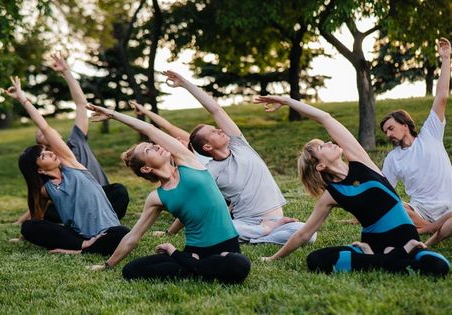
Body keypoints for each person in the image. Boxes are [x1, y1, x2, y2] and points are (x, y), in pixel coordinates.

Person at [254, 94, 450, 276]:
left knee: (440, 266)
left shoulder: (360, 161)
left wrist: (287, 101)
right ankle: (395, 258)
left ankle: (379, 260)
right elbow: (304, 234)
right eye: (322, 147)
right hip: (377, 246)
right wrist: (273, 258)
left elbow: (325, 118)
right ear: (320, 165)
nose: (329, 142)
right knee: (315, 260)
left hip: (406, 241)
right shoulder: (332, 195)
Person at [87, 104, 250, 284]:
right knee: (131, 270)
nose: (156, 146)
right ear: (146, 168)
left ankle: (187, 262)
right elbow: (133, 236)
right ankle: (196, 266)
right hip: (195, 251)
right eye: (149, 150)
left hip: (226, 248)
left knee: (239, 264)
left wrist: (113, 114)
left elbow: (149, 129)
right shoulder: (157, 197)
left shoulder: (188, 161)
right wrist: (108, 265)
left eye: (152, 145)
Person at [161, 70, 315, 245]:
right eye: (213, 132)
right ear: (208, 147)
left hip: (274, 219)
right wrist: (170, 232)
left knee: (310, 235)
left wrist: (185, 83)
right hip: (245, 222)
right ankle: (264, 233)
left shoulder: (240, 146)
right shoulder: (209, 172)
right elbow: (195, 203)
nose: (220, 129)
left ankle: (263, 233)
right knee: (216, 230)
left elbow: (215, 109)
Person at [6, 76, 129, 255]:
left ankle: (77, 250)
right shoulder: (45, 189)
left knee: (122, 233)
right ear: (39, 169)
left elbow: (46, 128)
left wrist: (23, 99)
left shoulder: (71, 164)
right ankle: (85, 245)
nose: (49, 152)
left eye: (46, 150)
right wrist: (25, 234)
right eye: (42, 155)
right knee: (29, 227)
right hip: (79, 235)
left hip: (108, 231)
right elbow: (37, 215)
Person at [15, 54, 128, 224]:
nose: (43, 132)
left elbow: (81, 105)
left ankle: (99, 219)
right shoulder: (48, 169)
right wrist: (24, 222)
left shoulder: (75, 142)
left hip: (101, 198)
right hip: (73, 207)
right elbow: (40, 197)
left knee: (119, 191)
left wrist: (66, 72)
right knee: (48, 215)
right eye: (41, 139)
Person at [380, 38, 452, 246]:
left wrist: (446, 59)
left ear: (405, 124)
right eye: (385, 132)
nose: (389, 134)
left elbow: (441, 96)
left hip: (449, 206)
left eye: (391, 128)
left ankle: (429, 231)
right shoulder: (393, 159)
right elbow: (384, 193)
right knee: (395, 206)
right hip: (420, 212)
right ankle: (431, 227)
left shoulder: (431, 132)